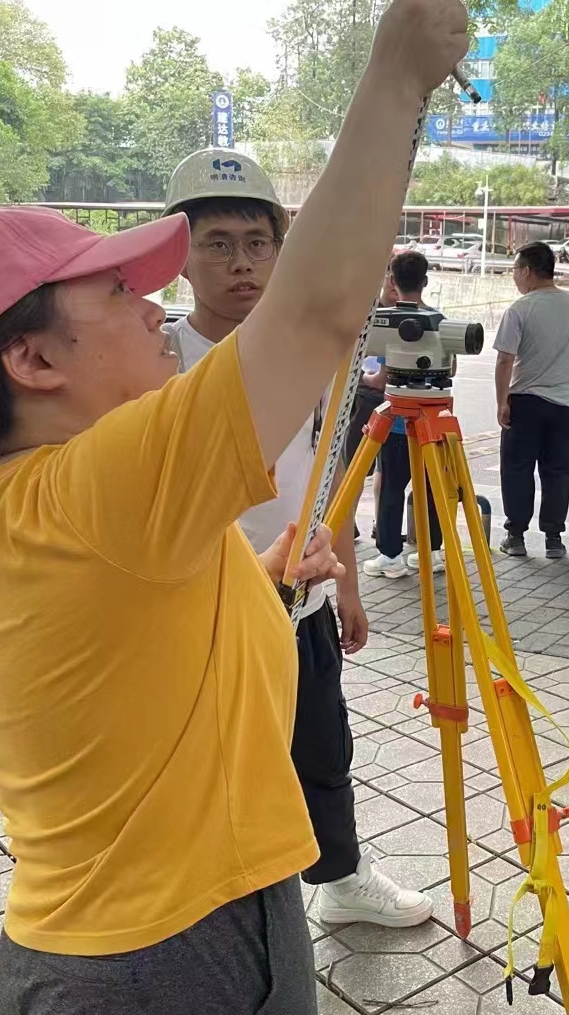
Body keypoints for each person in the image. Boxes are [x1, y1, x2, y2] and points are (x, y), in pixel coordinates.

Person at [0, 0, 466, 1015]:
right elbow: (320, 306)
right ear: (34, 359)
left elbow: (136, 643)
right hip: (166, 960)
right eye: (116, 292)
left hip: (143, 933)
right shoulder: (106, 482)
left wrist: (267, 580)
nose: (150, 309)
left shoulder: (23, 505)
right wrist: (399, 72)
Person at [161, 146, 430, 928]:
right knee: (214, 764)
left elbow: (327, 484)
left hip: (302, 601)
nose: (242, 263)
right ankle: (217, 904)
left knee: (323, 750)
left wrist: (343, 582)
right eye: (217, 243)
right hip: (205, 611)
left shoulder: (312, 362)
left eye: (257, 243)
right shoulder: (157, 361)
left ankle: (342, 882)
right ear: (181, 255)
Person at [494, 241, 569, 560]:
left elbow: (504, 361)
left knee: (518, 468)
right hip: (565, 404)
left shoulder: (520, 309)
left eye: (514, 270)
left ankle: (516, 536)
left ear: (526, 271)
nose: (514, 277)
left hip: (525, 401)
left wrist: (501, 402)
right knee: (557, 471)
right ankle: (554, 538)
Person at [360, 250, 444, 579]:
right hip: (434, 418)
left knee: (392, 487)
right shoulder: (439, 320)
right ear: (425, 281)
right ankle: (432, 552)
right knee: (432, 486)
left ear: (393, 281)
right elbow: (448, 367)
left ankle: (390, 556)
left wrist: (360, 381)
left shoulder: (387, 322)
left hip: (396, 419)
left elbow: (379, 379)